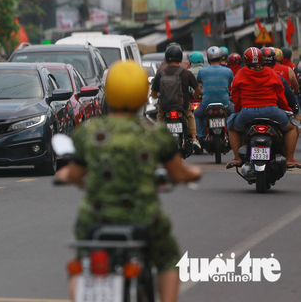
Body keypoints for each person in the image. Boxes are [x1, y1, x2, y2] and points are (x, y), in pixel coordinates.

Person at [56, 61, 202, 302]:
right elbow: (179, 174)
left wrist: (63, 176)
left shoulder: (88, 132)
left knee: (81, 265)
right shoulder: (155, 133)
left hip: (95, 217)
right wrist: (194, 173)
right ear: (142, 94)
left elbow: (73, 174)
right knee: (167, 260)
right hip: (144, 217)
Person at [226, 47, 300, 169]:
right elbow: (280, 94)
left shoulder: (240, 73)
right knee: (293, 128)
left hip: (246, 113)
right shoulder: (271, 72)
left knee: (231, 128)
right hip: (272, 111)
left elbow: (236, 96)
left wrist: (239, 110)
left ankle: (237, 158)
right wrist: (285, 108)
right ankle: (290, 158)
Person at [151, 45, 202, 148]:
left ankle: (157, 139)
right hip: (182, 106)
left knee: (160, 117)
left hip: (165, 107)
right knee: (190, 115)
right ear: (180, 57)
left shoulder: (160, 74)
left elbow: (153, 93)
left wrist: (158, 95)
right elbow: (198, 90)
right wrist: (193, 95)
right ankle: (194, 139)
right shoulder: (187, 73)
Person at [194, 46, 234, 140]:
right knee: (234, 113)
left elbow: (199, 82)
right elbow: (232, 84)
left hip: (206, 103)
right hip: (225, 104)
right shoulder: (228, 71)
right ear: (221, 58)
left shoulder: (202, 70)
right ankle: (232, 134)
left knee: (197, 114)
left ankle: (201, 136)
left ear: (208, 59)